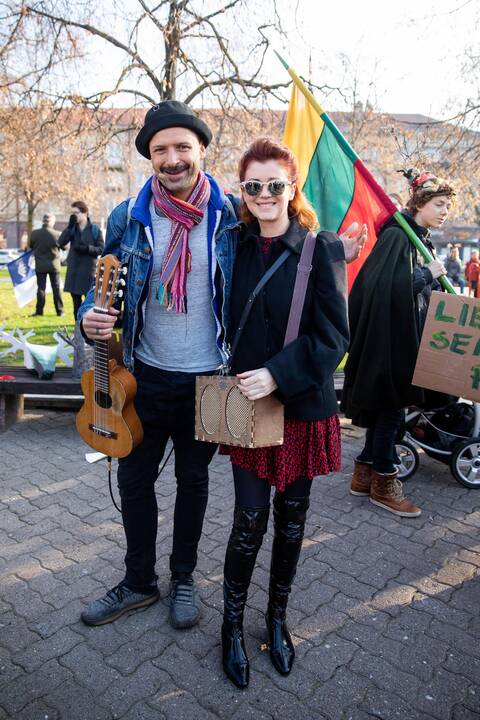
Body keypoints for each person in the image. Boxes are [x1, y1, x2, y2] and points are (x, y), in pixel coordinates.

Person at [76, 102, 366, 632]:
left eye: (182, 147)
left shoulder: (232, 215)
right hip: (143, 375)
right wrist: (88, 318)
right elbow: (99, 287)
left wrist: (332, 250)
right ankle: (139, 581)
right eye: (161, 149)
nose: (173, 159)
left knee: (193, 482)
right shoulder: (127, 216)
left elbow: (283, 246)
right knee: (136, 483)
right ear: (150, 157)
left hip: (209, 380)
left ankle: (183, 577)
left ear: (201, 151)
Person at [218, 138, 349, 688]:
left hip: (299, 407)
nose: (266, 194)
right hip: (247, 409)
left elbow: (335, 335)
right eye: (255, 186)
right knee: (249, 519)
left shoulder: (323, 249)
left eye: (276, 184)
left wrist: (280, 373)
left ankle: (276, 618)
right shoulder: (233, 245)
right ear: (242, 192)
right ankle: (230, 625)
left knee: (291, 523)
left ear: (291, 188)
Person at [342, 170, 456, 519]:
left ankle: (363, 476)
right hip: (389, 345)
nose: (444, 212)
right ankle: (385, 484)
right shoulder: (398, 237)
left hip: (399, 341)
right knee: (391, 412)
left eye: (448, 207)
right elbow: (384, 289)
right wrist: (428, 274)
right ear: (420, 203)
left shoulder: (417, 238)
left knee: (385, 411)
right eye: (439, 204)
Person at [59, 201, 104, 320]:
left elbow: (101, 249)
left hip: (88, 272)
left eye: (76, 213)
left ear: (85, 213)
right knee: (76, 304)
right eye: (72, 213)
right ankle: (78, 329)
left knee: (89, 304)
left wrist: (87, 249)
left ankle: (88, 330)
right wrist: (69, 227)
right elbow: (61, 242)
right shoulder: (72, 229)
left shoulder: (94, 229)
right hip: (74, 271)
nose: (74, 216)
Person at [28, 213, 64, 316]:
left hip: (40, 265)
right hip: (54, 266)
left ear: (43, 221)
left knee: (41, 288)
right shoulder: (57, 234)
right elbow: (64, 247)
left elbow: (31, 245)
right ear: (52, 222)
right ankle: (60, 311)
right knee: (56, 289)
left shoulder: (35, 234)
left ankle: (39, 311)